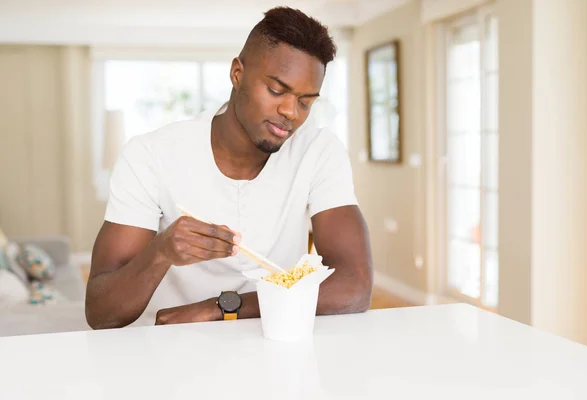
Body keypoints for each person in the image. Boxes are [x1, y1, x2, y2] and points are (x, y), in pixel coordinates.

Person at [85, 6, 373, 329]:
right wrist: (160, 252)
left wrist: (222, 309)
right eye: (277, 90)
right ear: (237, 74)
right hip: (172, 352)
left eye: (306, 101)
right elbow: (100, 311)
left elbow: (355, 286)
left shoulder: (318, 152)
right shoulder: (149, 156)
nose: (291, 111)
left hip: (275, 342)